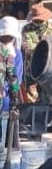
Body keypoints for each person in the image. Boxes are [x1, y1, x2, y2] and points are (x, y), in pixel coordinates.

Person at [21, 3, 52, 103]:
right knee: (32, 100)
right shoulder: (27, 29)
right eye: (36, 20)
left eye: (40, 20)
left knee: (51, 98)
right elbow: (28, 48)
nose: (38, 22)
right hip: (33, 69)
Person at [0, 16, 22, 150]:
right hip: (5, 102)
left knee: (7, 144)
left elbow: (15, 80)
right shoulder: (11, 54)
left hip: (7, 105)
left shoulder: (15, 55)